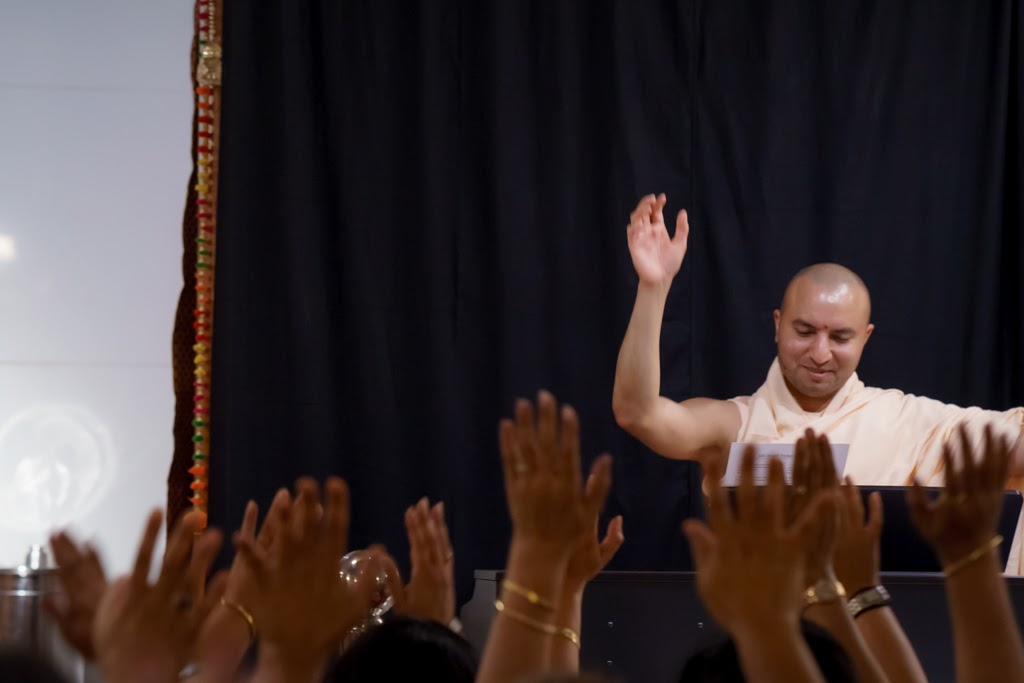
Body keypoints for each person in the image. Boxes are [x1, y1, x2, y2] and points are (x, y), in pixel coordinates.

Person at [612, 193, 1024, 570]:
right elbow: (638, 413)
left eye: (840, 337)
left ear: (865, 338)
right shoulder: (735, 424)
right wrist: (654, 287)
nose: (820, 353)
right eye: (804, 332)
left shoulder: (909, 421)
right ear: (778, 325)